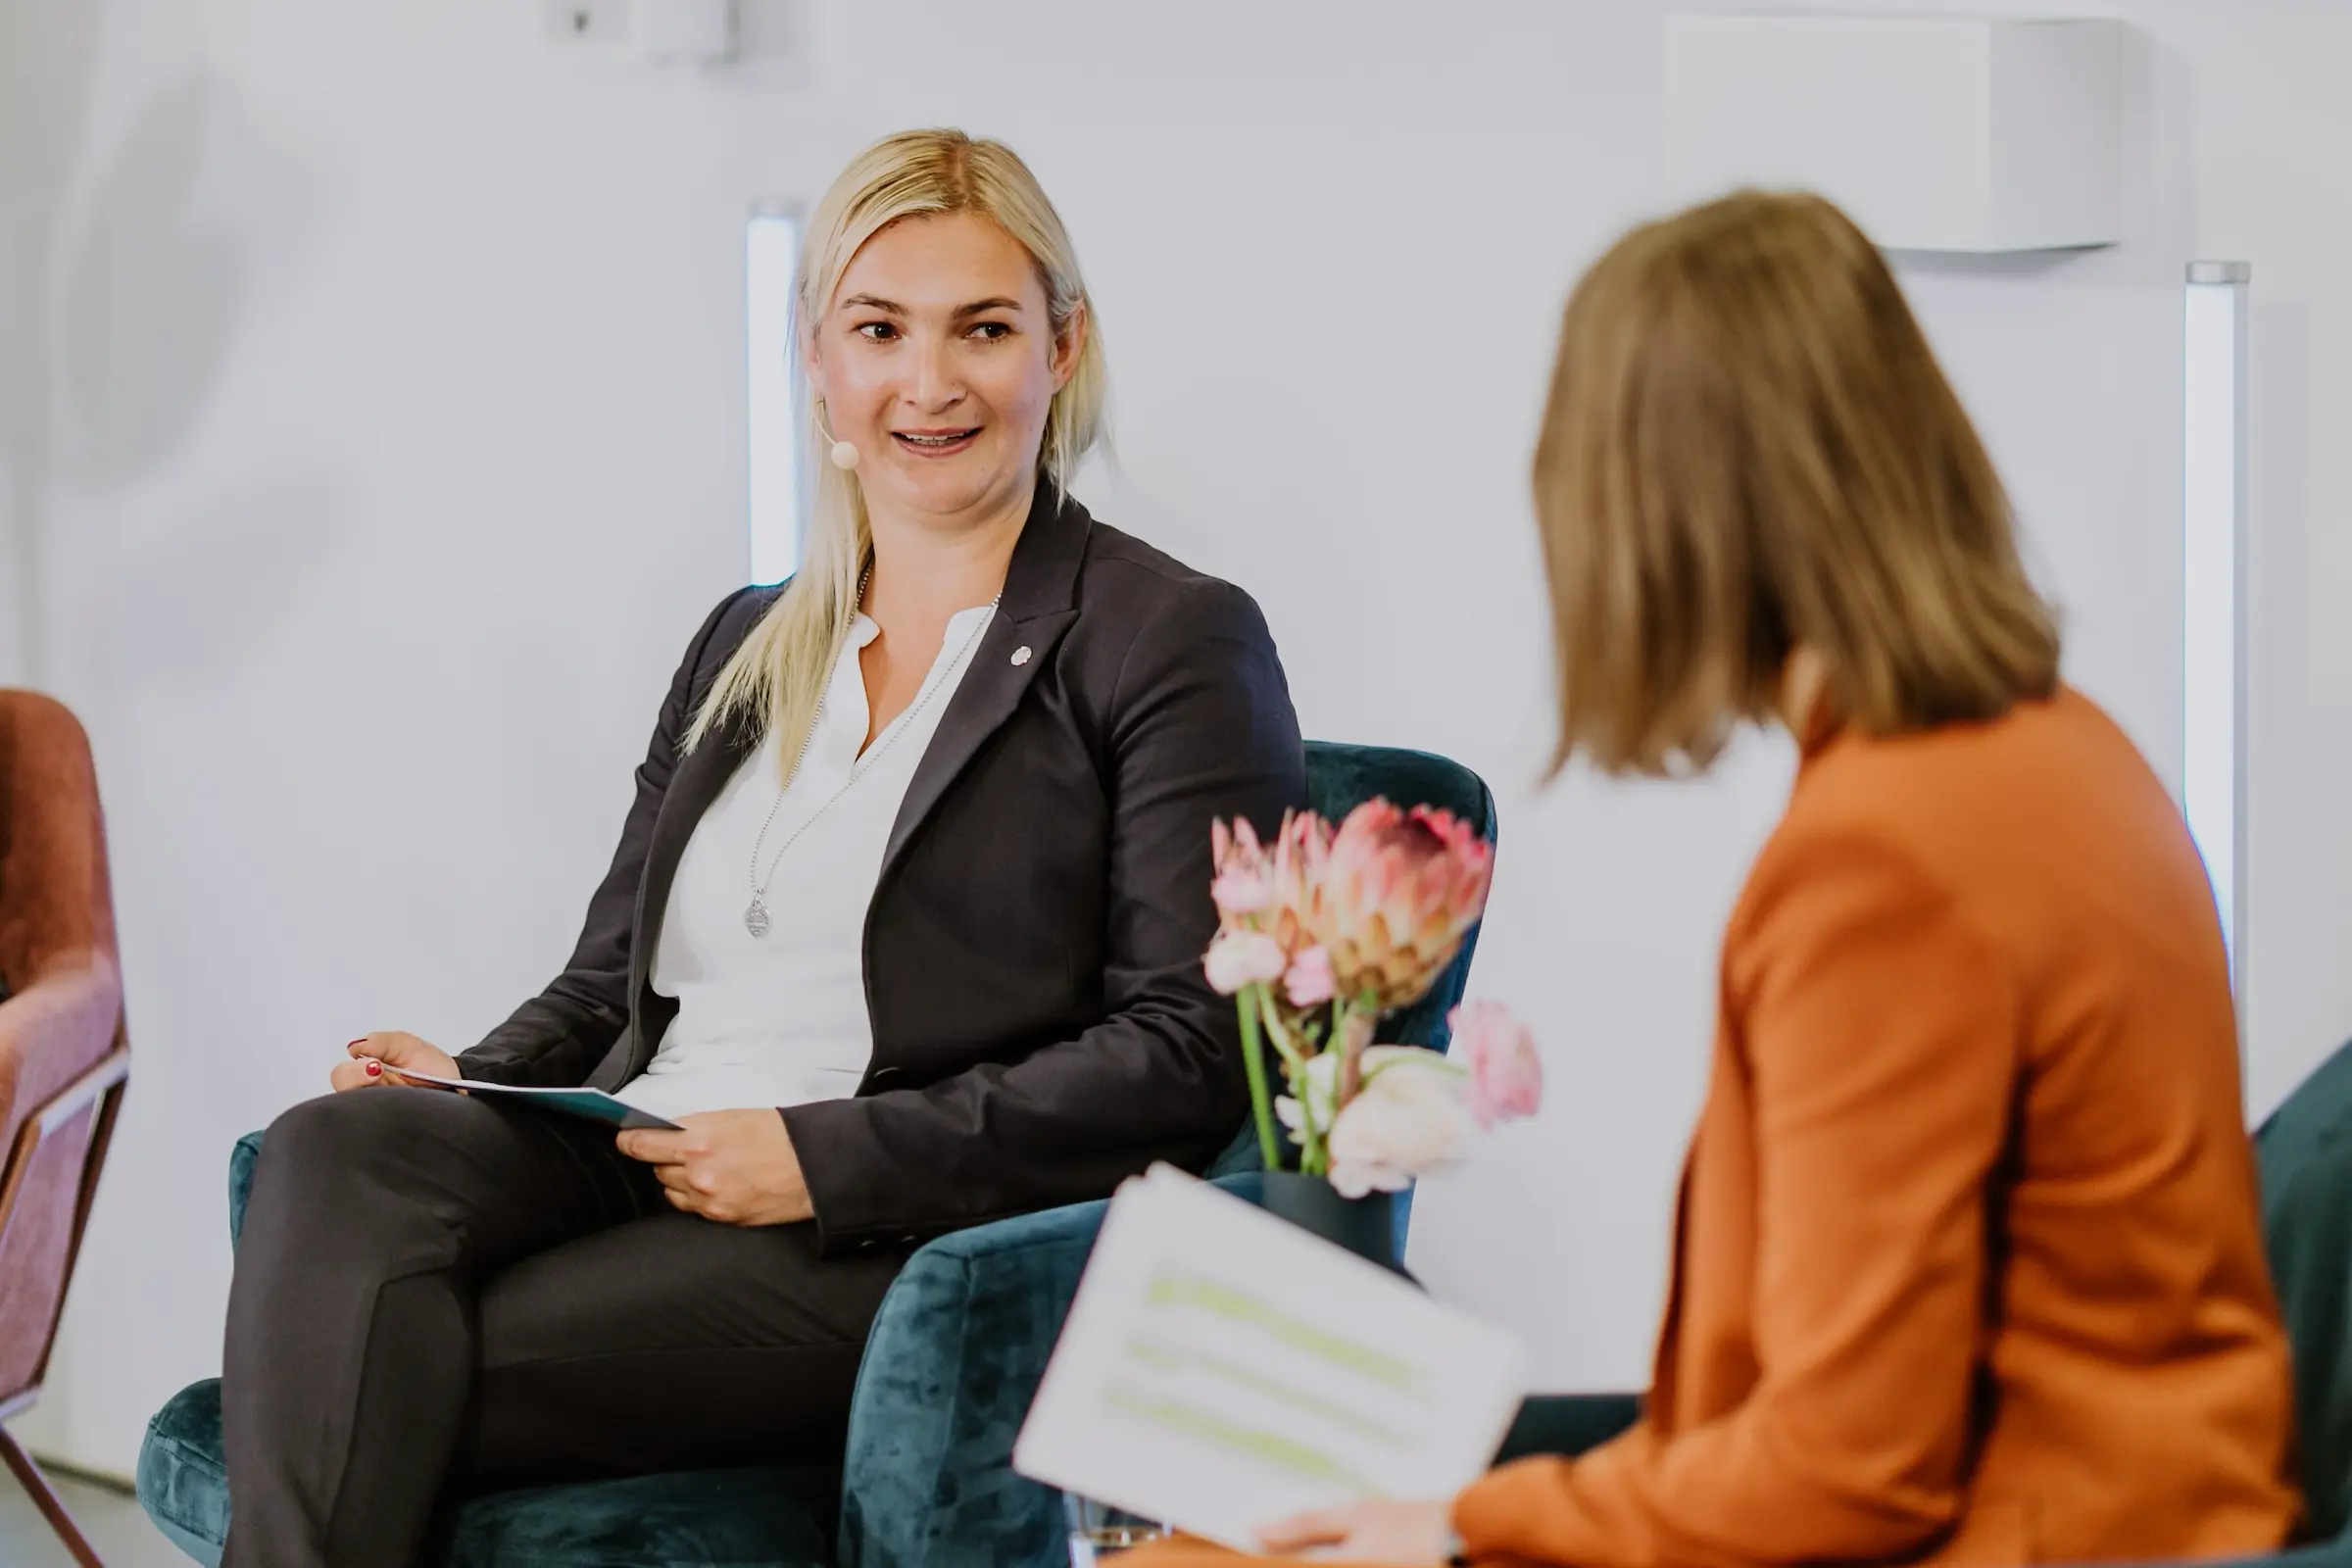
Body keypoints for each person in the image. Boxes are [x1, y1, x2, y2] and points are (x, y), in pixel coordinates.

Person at [1140, 189, 2303, 1567]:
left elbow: (1841, 1477)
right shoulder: (2055, 747)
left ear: (1663, 515)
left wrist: (1460, 1524)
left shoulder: (1889, 862)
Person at [220, 127, 1306, 1568]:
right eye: (879, 329)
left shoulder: (1168, 636)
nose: (929, 383)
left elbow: (1188, 1046)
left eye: (983, 329)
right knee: (335, 1153)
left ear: (1062, 344)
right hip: (645, 1145)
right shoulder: (748, 639)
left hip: (885, 1233)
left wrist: (828, 1159)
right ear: (817, 358)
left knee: (366, 1360)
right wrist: (478, 1076)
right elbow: (615, 982)